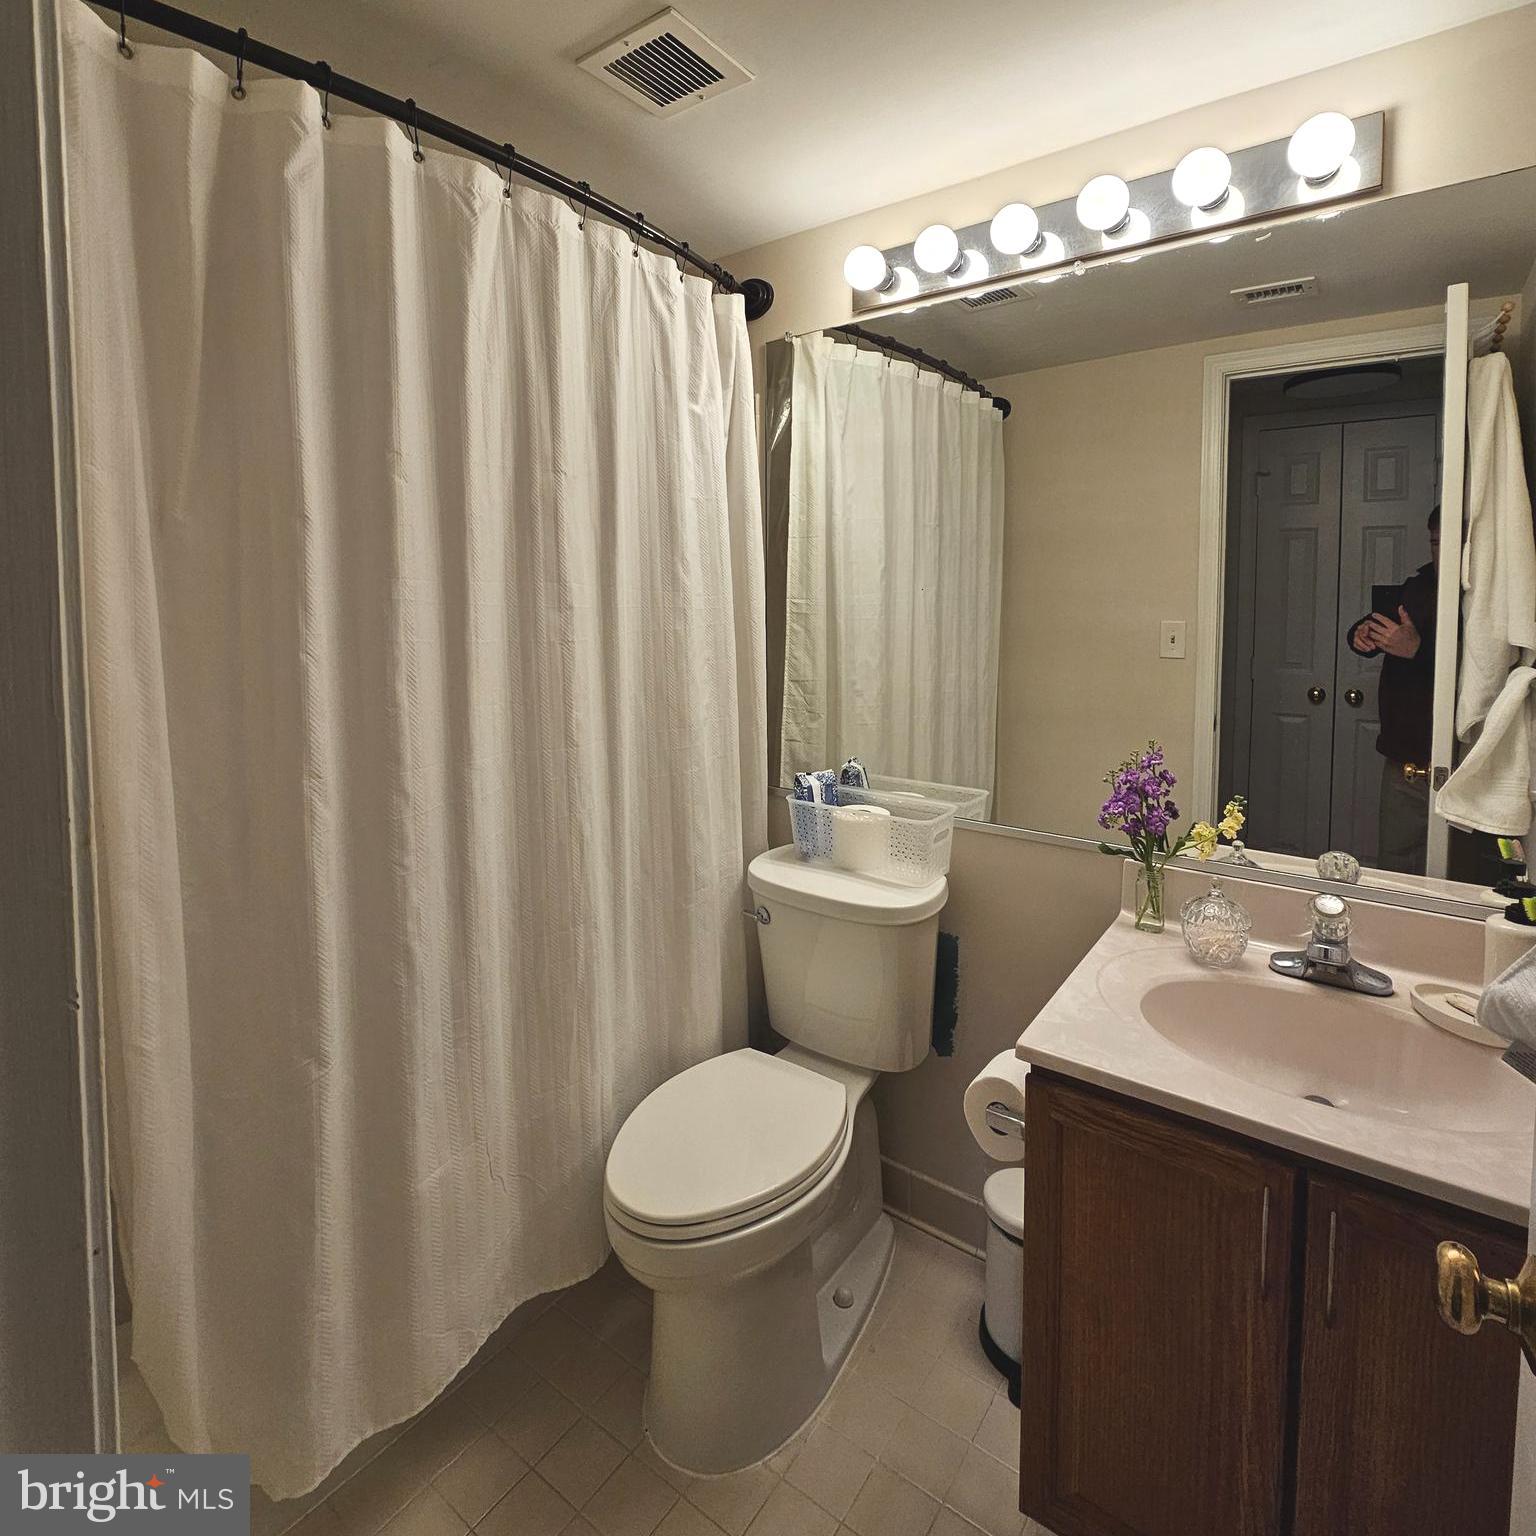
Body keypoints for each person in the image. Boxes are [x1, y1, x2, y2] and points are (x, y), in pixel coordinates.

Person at [1346, 506, 1440, 874]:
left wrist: (1418, 650)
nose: (1439, 551)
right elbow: (1375, 624)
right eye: (1434, 542)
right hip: (1404, 756)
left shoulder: (1488, 597)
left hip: (1458, 759)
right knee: (1395, 866)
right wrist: (1360, 636)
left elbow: (1483, 669)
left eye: (1447, 542)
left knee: (1456, 872)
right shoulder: (1417, 587)